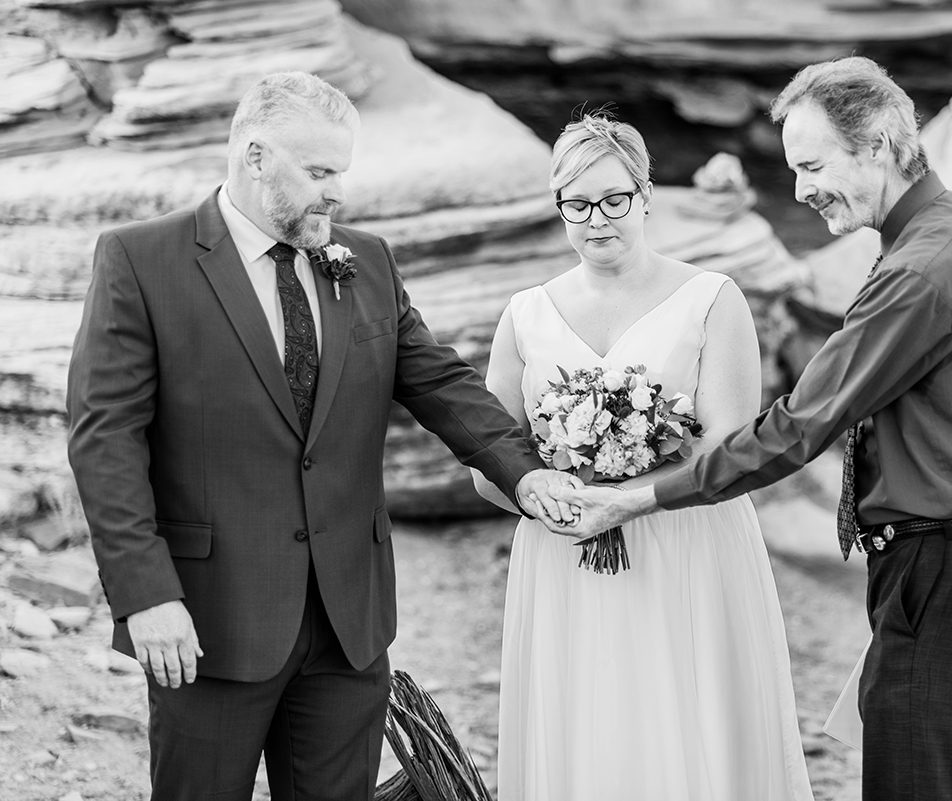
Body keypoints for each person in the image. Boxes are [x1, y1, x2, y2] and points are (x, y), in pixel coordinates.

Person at [550, 57, 952, 801]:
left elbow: (798, 426)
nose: (800, 189)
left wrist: (638, 498)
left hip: (943, 569)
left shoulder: (923, 271)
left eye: (813, 164)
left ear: (880, 143)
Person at [66, 71, 577, 801]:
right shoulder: (141, 260)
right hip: (209, 620)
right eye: (319, 171)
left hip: (348, 622)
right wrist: (147, 595)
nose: (337, 190)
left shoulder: (365, 259)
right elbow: (104, 440)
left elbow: (438, 382)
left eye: (343, 170)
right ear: (254, 157)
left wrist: (524, 473)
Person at [471, 111, 813, 801]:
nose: (597, 219)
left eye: (614, 199)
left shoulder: (713, 299)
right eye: (576, 204)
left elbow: (727, 445)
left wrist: (625, 494)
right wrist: (552, 497)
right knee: (589, 724)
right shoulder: (525, 314)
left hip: (686, 544)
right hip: (564, 553)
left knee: (685, 723)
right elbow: (489, 460)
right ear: (559, 207)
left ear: (647, 194)